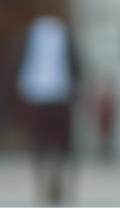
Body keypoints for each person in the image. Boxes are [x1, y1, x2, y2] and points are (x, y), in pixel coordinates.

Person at [17, 13, 82, 205]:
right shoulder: (32, 37)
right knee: (46, 144)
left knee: (53, 144)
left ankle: (53, 182)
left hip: (52, 97)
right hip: (44, 96)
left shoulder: (32, 37)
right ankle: (47, 183)